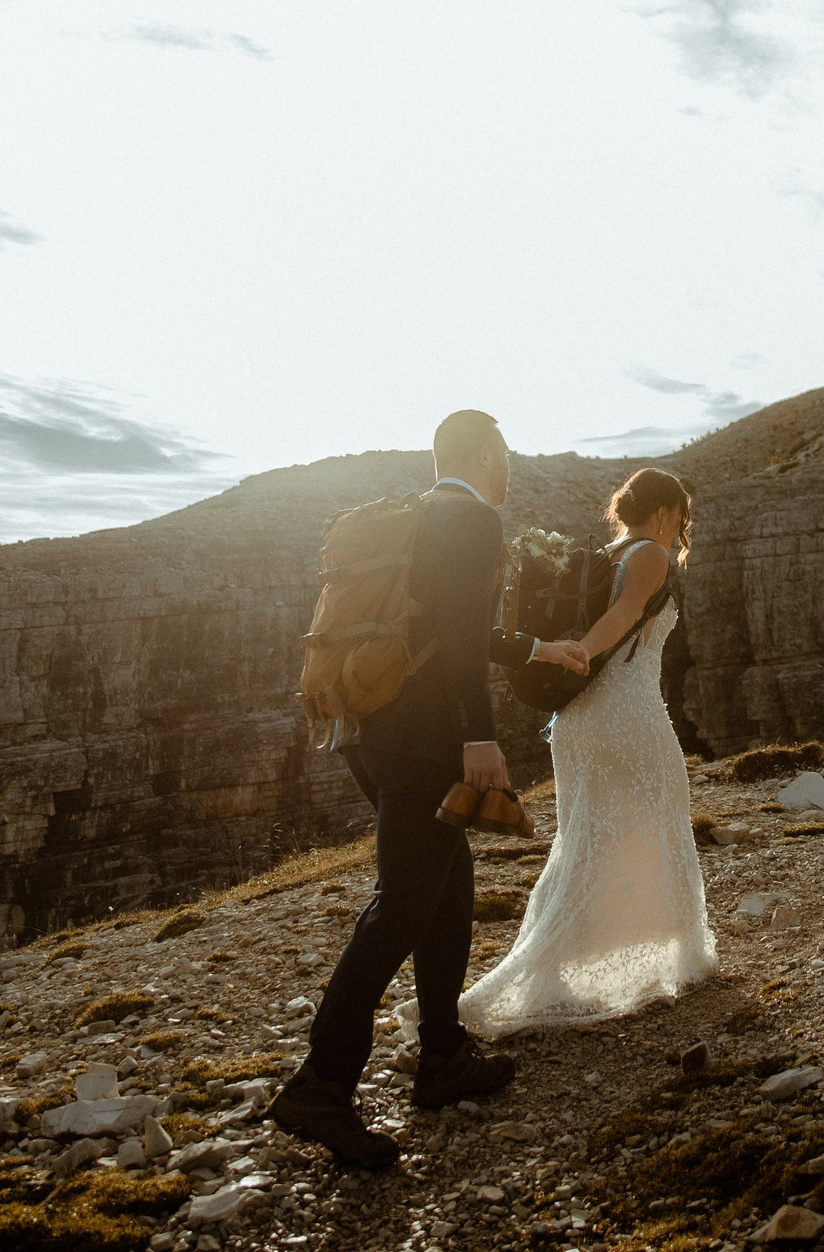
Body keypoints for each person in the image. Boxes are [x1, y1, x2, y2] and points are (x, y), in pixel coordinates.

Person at [270, 410, 590, 1168]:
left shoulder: (420, 519)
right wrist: (478, 736)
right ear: (484, 453)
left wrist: (539, 645)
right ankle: (321, 1082)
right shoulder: (475, 520)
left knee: (448, 891)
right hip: (427, 741)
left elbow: (455, 627)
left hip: (370, 734)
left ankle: (443, 1054)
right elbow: (458, 639)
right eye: (505, 452)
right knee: (404, 905)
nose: (509, 466)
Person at [456, 467, 717, 1036]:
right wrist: (576, 652)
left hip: (575, 720)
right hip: (627, 715)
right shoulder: (650, 553)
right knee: (654, 818)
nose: (681, 528)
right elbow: (621, 617)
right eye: (682, 516)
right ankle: (661, 954)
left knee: (585, 836)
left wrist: (566, 656)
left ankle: (560, 964)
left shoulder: (603, 553)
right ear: (668, 511)